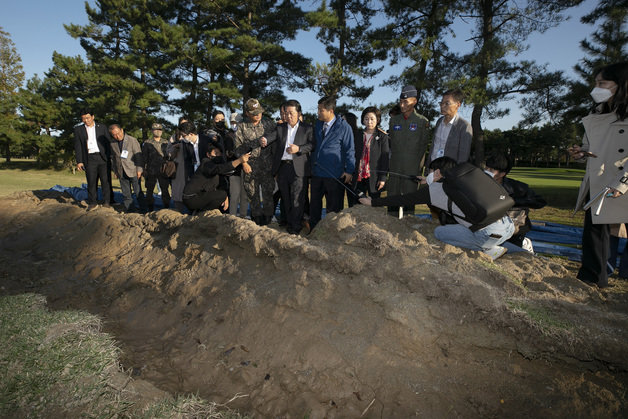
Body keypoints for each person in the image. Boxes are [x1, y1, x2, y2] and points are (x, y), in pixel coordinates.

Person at [360, 156, 514, 260]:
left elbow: (403, 199)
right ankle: (511, 249)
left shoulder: (434, 191)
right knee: (492, 237)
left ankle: (486, 250)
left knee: (440, 232)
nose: (428, 173)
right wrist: (428, 181)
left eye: (431, 171)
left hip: (487, 233)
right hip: (508, 226)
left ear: (438, 173)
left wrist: (371, 202)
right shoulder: (463, 184)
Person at [569, 61, 628, 288]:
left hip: (621, 180)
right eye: (596, 83)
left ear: (620, 85)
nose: (597, 88)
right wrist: (581, 153)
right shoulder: (598, 113)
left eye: (602, 83)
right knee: (594, 231)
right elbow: (593, 148)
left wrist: (621, 184)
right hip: (600, 180)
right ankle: (592, 279)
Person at [264, 99, 314, 235]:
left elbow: (311, 145)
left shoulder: (307, 128)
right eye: (286, 113)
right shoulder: (280, 128)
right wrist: (265, 140)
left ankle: (295, 227)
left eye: (291, 113)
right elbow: (271, 136)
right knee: (286, 198)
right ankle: (289, 223)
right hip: (283, 168)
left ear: (298, 113)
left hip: (298, 168)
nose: (288, 116)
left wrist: (299, 149)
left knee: (298, 198)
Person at [485, 152, 546, 253]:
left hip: (515, 229)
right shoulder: (481, 184)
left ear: (502, 174)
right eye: (486, 168)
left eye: (491, 170)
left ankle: (525, 244)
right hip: (490, 227)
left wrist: (512, 201)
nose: (487, 171)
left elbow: (540, 202)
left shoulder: (518, 188)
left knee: (510, 252)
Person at [309, 96, 355, 229]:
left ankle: (332, 235)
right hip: (317, 173)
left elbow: (349, 150)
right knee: (315, 207)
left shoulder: (344, 127)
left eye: (320, 110)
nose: (318, 112)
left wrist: (349, 170)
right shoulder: (317, 124)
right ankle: (313, 232)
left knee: (333, 210)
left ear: (330, 110)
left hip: (335, 175)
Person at [387, 85, 430, 216]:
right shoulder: (394, 120)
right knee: (392, 199)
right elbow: (391, 144)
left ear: (414, 101)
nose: (402, 104)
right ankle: (390, 226)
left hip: (412, 169)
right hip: (395, 167)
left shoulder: (422, 122)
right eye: (400, 101)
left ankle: (408, 229)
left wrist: (419, 168)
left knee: (409, 202)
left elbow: (423, 148)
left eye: (406, 101)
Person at [235, 98, 277, 226]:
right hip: (250, 165)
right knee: (252, 194)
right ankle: (256, 219)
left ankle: (268, 219)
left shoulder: (269, 124)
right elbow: (238, 147)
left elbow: (277, 139)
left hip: (267, 165)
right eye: (254, 113)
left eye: (259, 112)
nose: (258, 115)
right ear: (247, 113)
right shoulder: (241, 127)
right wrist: (244, 163)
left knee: (268, 193)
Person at [183, 141, 251, 213]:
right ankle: (202, 213)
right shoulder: (206, 163)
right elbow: (220, 168)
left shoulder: (217, 166)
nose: (218, 155)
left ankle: (202, 213)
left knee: (222, 195)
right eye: (215, 153)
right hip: (191, 198)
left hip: (199, 196)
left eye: (220, 154)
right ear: (208, 154)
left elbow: (222, 183)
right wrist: (239, 160)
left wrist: (226, 197)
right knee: (221, 195)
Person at [73, 109, 112, 209]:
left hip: (102, 157)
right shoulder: (78, 130)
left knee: (105, 180)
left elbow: (108, 143)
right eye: (83, 119)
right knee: (91, 181)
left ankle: (107, 201)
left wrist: (109, 157)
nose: (86, 120)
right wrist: (79, 161)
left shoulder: (102, 127)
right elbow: (78, 146)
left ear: (92, 117)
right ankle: (92, 202)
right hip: (89, 158)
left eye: (88, 118)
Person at [425, 89, 473, 169]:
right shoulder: (439, 122)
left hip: (448, 173)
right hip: (432, 170)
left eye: (447, 103)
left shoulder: (464, 126)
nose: (442, 106)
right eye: (441, 103)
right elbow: (434, 146)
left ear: (458, 105)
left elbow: (463, 157)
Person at [351, 106, 390, 202]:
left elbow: (385, 158)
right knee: (357, 204)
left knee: (374, 204)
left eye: (372, 119)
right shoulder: (358, 135)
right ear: (363, 120)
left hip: (374, 177)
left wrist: (383, 178)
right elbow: (352, 154)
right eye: (366, 119)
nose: (369, 122)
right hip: (358, 176)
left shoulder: (382, 136)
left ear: (378, 120)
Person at [109, 124, 145, 212]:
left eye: (118, 133)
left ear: (122, 130)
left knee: (138, 192)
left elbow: (139, 156)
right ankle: (130, 210)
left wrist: (139, 170)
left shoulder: (132, 140)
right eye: (114, 135)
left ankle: (144, 210)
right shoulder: (112, 143)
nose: (117, 136)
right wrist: (115, 171)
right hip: (121, 172)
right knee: (126, 194)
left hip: (133, 170)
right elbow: (113, 158)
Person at [169, 120, 201, 213]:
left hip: (191, 172)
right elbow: (169, 153)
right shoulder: (174, 138)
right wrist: (175, 148)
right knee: (178, 195)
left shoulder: (192, 141)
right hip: (179, 171)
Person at [142, 122, 171, 211]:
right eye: (155, 130)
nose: (157, 131)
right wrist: (144, 169)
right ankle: (150, 209)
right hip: (151, 171)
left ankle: (166, 208)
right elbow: (144, 157)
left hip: (163, 170)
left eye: (159, 130)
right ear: (152, 131)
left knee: (165, 190)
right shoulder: (147, 143)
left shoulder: (166, 142)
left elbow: (170, 156)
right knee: (149, 191)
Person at [226, 113, 249, 218]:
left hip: (245, 169)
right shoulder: (228, 136)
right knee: (235, 195)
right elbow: (227, 153)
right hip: (234, 170)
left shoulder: (246, 135)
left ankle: (243, 216)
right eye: (232, 122)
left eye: (236, 122)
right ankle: (232, 217)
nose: (234, 124)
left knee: (244, 196)